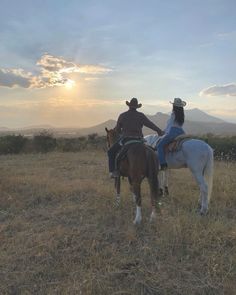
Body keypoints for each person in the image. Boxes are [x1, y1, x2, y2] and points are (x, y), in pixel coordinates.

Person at [108, 98, 163, 178]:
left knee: (111, 152)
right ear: (137, 107)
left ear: (129, 106)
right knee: (152, 151)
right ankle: (156, 167)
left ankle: (113, 172)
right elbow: (150, 124)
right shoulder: (141, 115)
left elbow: (118, 130)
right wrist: (159, 131)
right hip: (139, 140)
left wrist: (121, 131)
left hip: (126, 139)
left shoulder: (122, 115)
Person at [157, 97, 186, 170]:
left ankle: (163, 164)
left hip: (173, 132)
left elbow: (170, 125)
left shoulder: (173, 114)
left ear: (174, 106)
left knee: (159, 146)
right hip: (181, 132)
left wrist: (164, 132)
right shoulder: (182, 115)